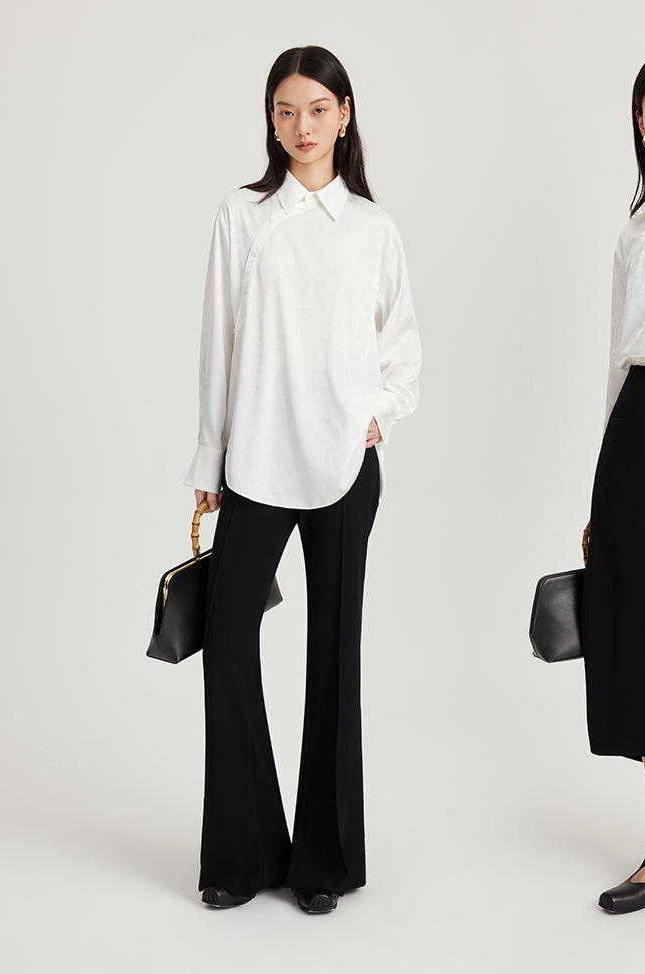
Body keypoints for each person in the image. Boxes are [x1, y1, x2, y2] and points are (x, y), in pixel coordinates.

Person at [183, 46, 421, 914]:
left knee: (334, 657)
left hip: (345, 466)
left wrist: (378, 411)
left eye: (317, 109)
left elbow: (404, 346)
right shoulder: (242, 216)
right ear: (271, 120)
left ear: (345, 114)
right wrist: (209, 460)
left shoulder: (372, 227)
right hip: (256, 461)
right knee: (227, 643)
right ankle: (243, 854)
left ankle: (323, 863)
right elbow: (219, 343)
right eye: (285, 110)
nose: (301, 126)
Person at [582, 51, 645, 915]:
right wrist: (603, 470)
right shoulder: (638, 227)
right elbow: (619, 353)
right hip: (640, 427)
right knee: (644, 630)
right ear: (639, 125)